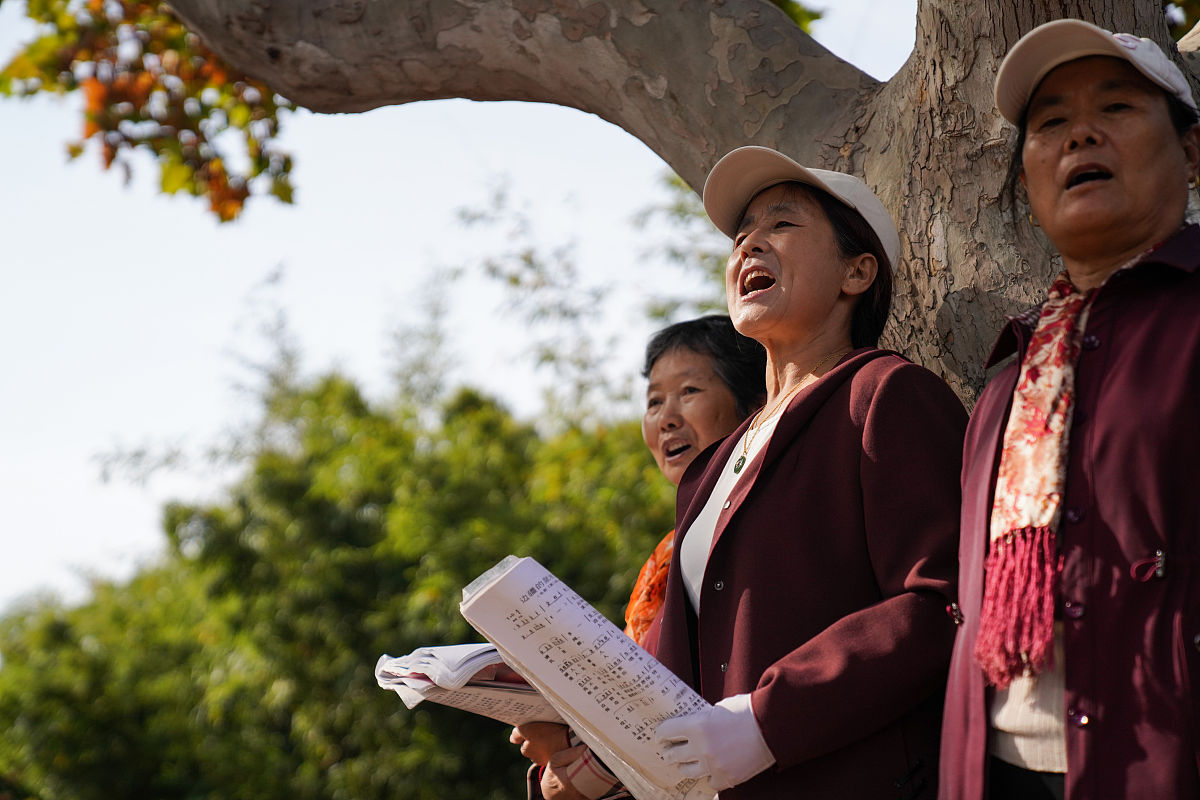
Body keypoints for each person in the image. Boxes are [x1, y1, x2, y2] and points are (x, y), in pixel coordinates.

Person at [643, 146, 967, 798]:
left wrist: (769, 721)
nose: (749, 246)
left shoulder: (885, 395)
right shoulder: (712, 468)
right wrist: (577, 744)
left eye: (781, 225)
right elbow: (664, 669)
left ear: (857, 271)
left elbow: (943, 604)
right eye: (741, 236)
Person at [939, 19, 1200, 800]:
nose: (1080, 132)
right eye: (1051, 122)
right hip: (997, 771)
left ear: (1191, 153)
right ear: (1027, 181)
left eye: (1116, 108)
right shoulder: (1008, 378)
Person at [511, 315, 767, 800]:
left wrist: (584, 763)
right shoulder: (667, 554)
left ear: (757, 405)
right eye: (654, 401)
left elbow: (701, 699)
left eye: (689, 391)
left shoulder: (754, 527)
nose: (666, 417)